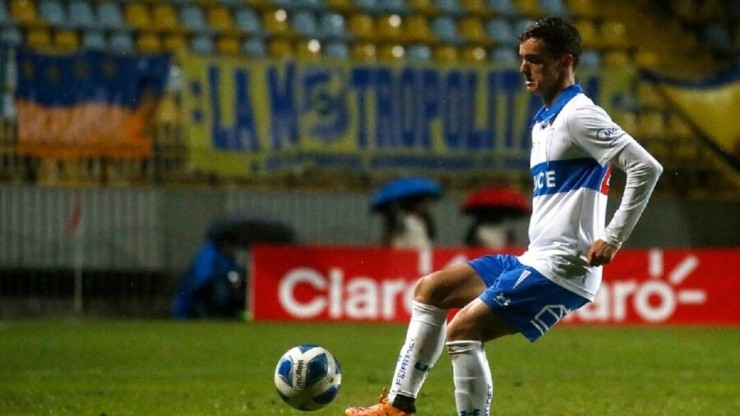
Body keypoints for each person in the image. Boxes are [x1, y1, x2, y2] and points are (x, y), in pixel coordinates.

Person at [345, 16, 663, 416]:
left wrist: (613, 237)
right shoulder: (544, 121)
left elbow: (646, 167)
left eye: (535, 60)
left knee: (463, 331)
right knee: (432, 290)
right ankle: (398, 405)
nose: (524, 68)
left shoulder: (579, 115)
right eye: (522, 58)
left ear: (565, 61)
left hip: (563, 267)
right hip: (535, 258)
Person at [171, 229, 246, 319]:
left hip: (207, 296)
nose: (232, 247)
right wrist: (223, 276)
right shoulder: (209, 254)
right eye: (231, 243)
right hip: (197, 298)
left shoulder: (227, 257)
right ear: (223, 242)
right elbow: (202, 280)